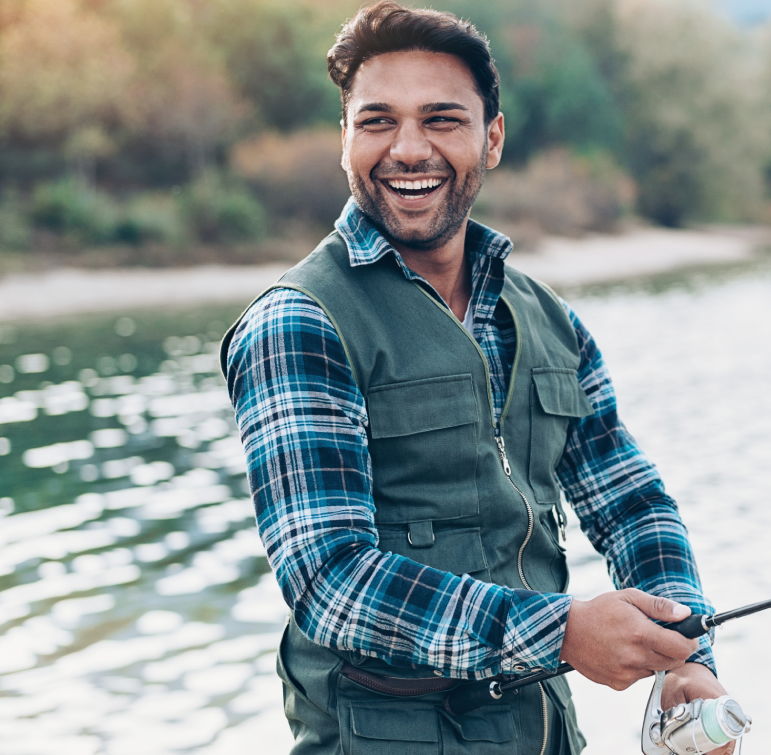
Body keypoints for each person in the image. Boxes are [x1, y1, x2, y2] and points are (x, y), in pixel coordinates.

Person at [222, 3, 733, 753]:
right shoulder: (297, 322)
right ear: (345, 139)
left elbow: (632, 503)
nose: (408, 149)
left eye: (441, 120)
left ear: (491, 138)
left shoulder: (549, 319)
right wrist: (563, 631)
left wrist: (685, 655)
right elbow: (331, 581)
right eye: (377, 122)